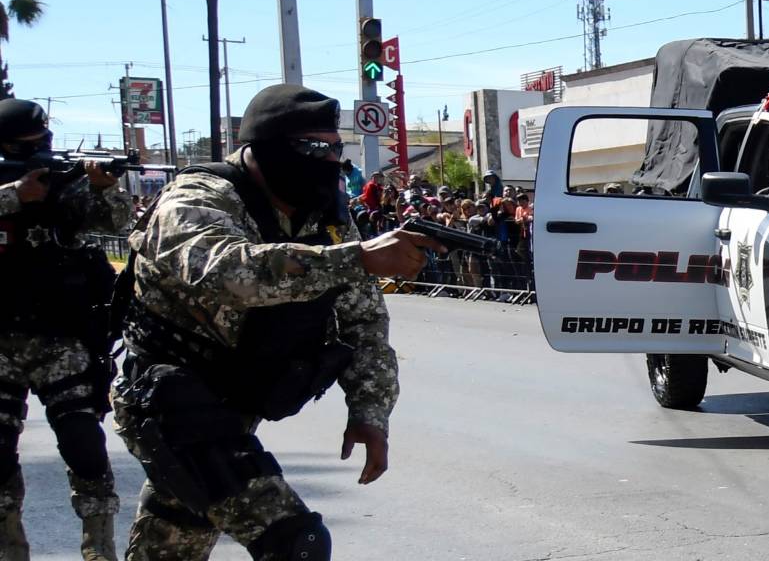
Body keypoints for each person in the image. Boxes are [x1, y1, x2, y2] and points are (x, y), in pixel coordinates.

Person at [111, 84, 443, 560]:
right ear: (264, 149)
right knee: (294, 542)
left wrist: (370, 414)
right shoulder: (198, 196)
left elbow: (364, 323)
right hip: (168, 400)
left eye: (336, 148)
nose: (329, 161)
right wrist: (356, 258)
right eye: (313, 148)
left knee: (173, 541)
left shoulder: (324, 215)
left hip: (232, 405)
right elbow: (226, 272)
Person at [0, 99, 130, 561]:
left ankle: (100, 549)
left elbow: (118, 225)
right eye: (32, 147)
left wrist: (102, 188)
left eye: (47, 144)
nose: (43, 153)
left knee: (83, 442)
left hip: (62, 337)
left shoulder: (63, 184)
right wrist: (15, 195)